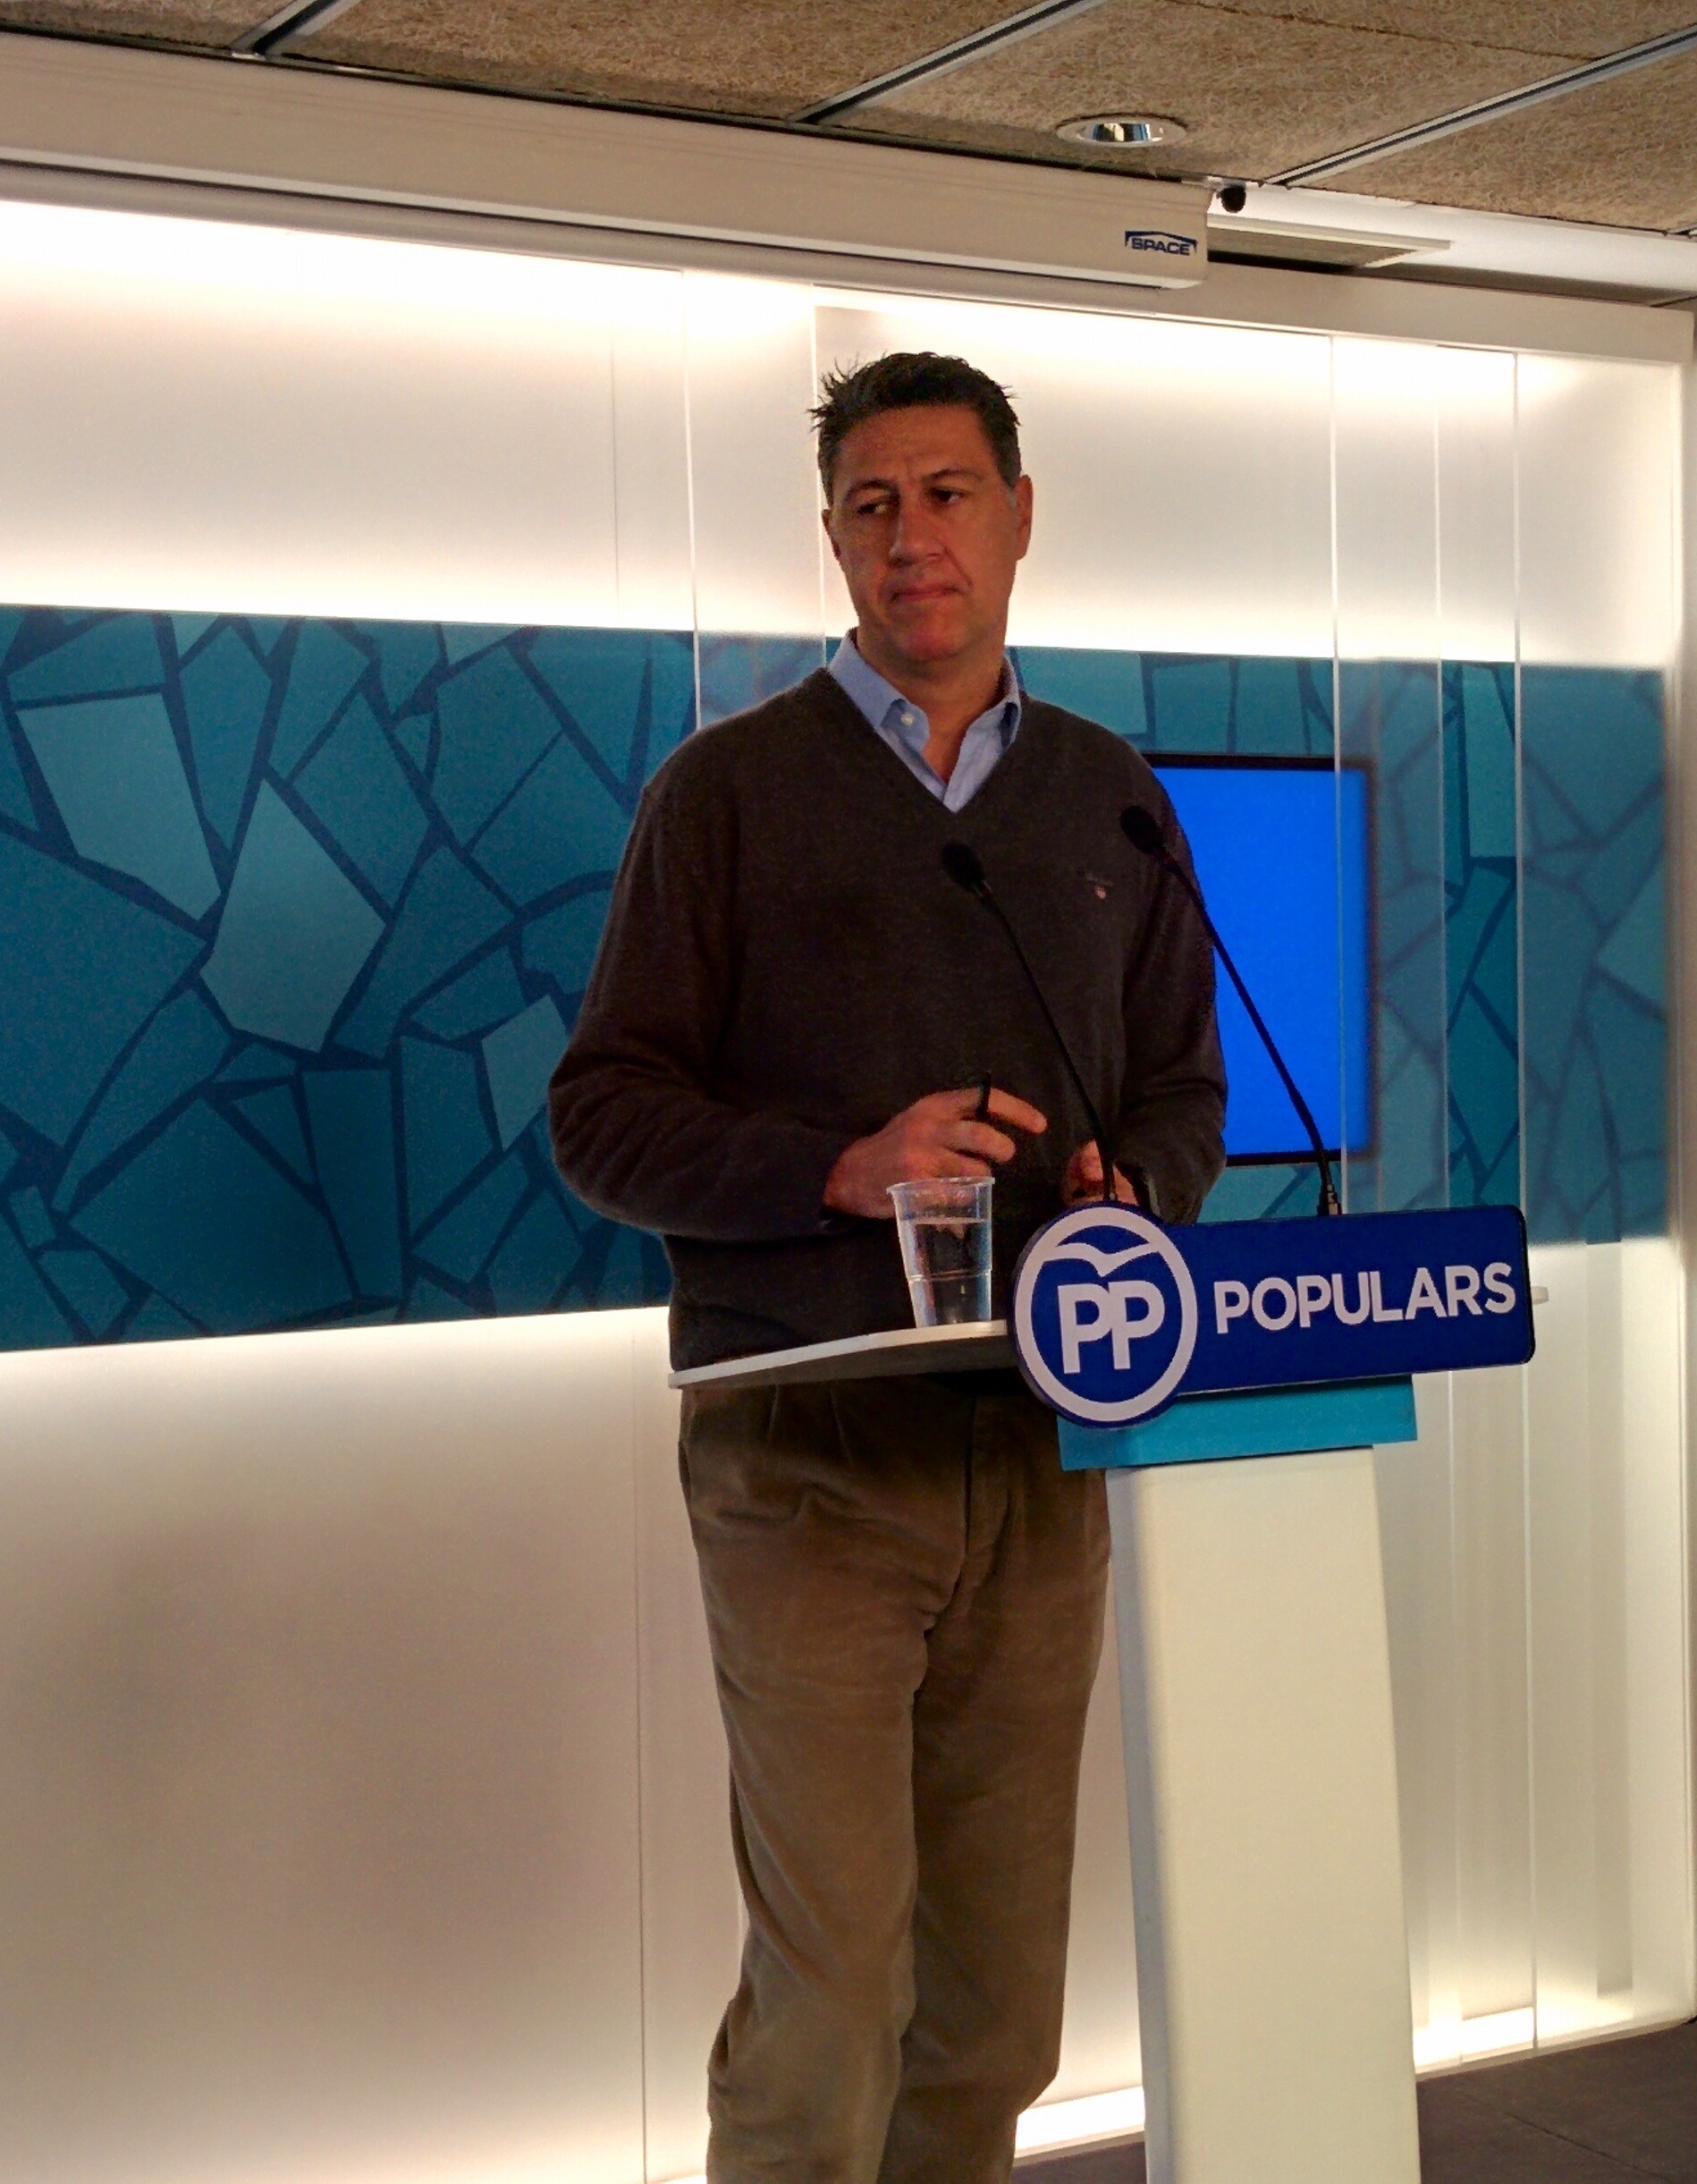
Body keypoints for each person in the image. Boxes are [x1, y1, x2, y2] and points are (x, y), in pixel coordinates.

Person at [549, 351, 1225, 2183]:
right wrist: (836, 1170)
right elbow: (600, 1115)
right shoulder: (725, 795)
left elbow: (1184, 1091)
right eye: (872, 504)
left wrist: (1140, 1186)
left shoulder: (1109, 797)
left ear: (1019, 516)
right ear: (835, 541)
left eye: (944, 494)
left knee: (994, 2013)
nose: (911, 535)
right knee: (834, 1996)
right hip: (811, 1468)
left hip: (1041, 1453)